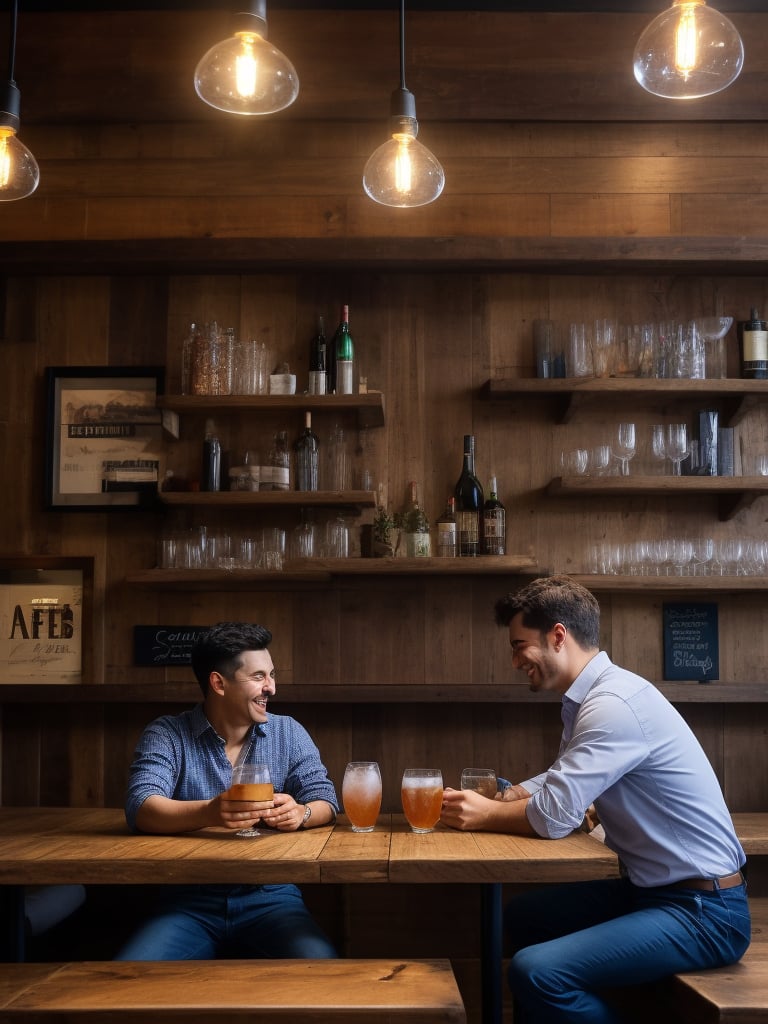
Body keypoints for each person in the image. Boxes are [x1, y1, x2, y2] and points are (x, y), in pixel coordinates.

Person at [440, 575, 750, 1024]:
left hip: (705, 910)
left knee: (537, 972)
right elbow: (570, 774)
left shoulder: (612, 704)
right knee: (522, 918)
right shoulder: (596, 697)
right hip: (654, 891)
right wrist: (521, 790)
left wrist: (483, 813)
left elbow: (552, 818)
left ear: (558, 636)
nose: (513, 661)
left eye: (518, 645)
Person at [117, 621, 339, 960]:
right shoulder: (167, 733)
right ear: (218, 683)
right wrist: (210, 811)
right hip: (188, 898)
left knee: (321, 970)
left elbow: (326, 799)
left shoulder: (288, 732)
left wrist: (303, 813)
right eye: (258, 677)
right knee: (125, 979)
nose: (272, 688)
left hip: (272, 895)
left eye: (272, 675)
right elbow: (141, 806)